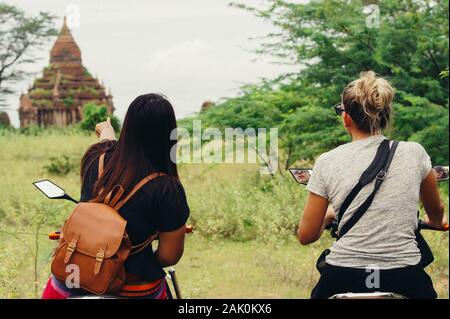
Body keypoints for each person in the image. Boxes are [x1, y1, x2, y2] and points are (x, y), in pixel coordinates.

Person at [297, 71, 447, 299]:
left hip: (343, 275)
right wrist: (435, 222)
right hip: (404, 275)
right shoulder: (415, 153)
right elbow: (436, 212)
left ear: (346, 117)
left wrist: (329, 215)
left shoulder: (327, 161)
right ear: (386, 116)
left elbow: (306, 235)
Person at [42, 93, 190, 299]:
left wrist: (106, 129)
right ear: (170, 134)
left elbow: (106, 143)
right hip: (136, 288)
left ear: (128, 127)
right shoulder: (168, 188)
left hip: (73, 281)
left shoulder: (96, 158)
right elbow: (168, 256)